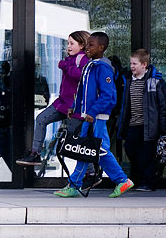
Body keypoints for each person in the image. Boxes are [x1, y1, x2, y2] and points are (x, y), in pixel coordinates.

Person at [54, 31, 134, 198]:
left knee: (99, 150)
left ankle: (122, 180)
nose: (87, 48)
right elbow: (81, 91)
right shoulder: (90, 66)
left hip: (96, 118)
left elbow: (108, 95)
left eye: (91, 45)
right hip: (88, 116)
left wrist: (92, 112)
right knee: (85, 150)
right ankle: (75, 184)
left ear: (101, 47)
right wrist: (75, 108)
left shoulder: (103, 68)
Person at [17, 30, 90, 166]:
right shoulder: (69, 59)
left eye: (71, 43)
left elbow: (81, 76)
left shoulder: (83, 59)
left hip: (76, 106)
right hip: (62, 103)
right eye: (68, 43)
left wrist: (66, 66)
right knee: (41, 119)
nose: (68, 46)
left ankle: (90, 171)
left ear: (81, 45)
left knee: (74, 140)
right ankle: (35, 153)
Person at [115, 49, 166, 192]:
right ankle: (137, 179)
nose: (132, 66)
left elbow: (164, 105)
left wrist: (164, 128)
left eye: (135, 63)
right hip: (132, 124)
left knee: (146, 155)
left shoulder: (155, 81)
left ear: (144, 65)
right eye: (131, 63)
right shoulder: (127, 80)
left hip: (148, 126)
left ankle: (148, 182)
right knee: (130, 150)